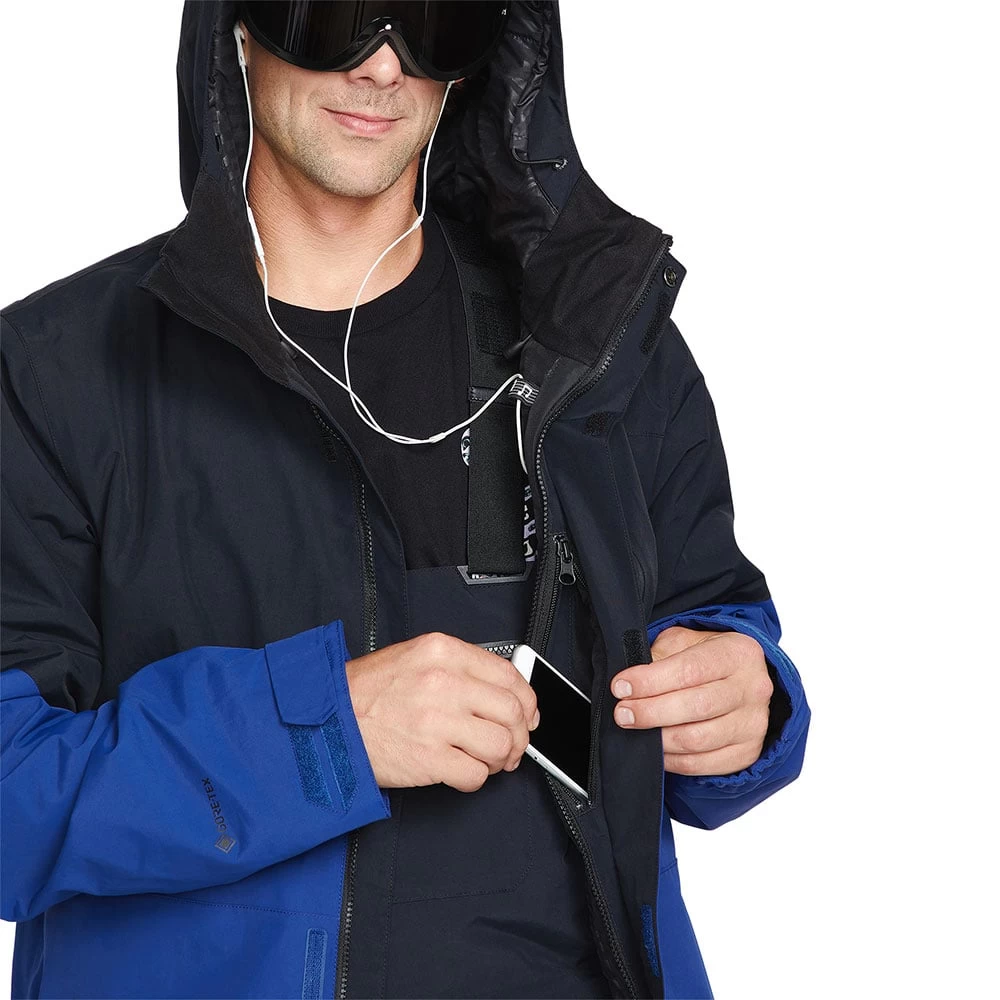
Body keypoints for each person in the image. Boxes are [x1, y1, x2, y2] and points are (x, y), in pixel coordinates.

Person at [0, 2, 810, 998]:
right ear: (239, 30)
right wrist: (322, 731)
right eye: (336, 12)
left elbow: (713, 622)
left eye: (433, 17)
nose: (384, 66)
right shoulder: (51, 376)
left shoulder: (590, 344)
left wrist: (745, 704)